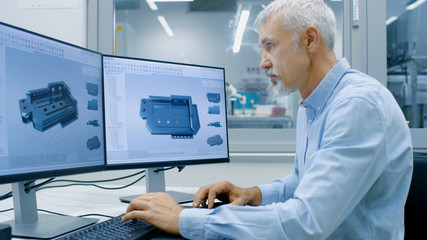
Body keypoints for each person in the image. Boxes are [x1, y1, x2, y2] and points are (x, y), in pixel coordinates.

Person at [122, 0, 413, 239]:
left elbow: (304, 223)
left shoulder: (356, 105)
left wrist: (183, 219)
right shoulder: (313, 104)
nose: (263, 61)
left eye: (270, 46)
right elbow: (304, 182)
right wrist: (251, 194)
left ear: (310, 40)